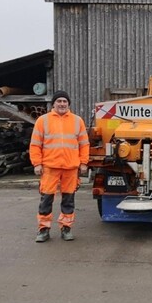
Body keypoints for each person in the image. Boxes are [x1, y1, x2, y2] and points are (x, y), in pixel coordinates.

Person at [29, 90, 89, 243]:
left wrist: (83, 163)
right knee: (46, 199)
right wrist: (37, 163)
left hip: (71, 167)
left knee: (68, 200)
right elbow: (35, 144)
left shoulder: (77, 121)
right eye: (59, 101)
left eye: (64, 101)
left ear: (68, 104)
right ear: (53, 103)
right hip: (50, 167)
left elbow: (84, 144)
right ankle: (43, 230)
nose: (62, 104)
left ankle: (66, 228)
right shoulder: (43, 120)